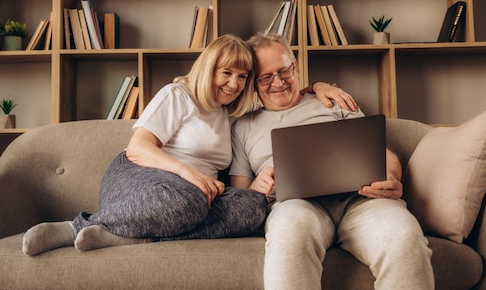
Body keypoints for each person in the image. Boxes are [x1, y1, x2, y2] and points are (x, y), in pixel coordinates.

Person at [22, 34, 355, 255]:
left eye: (242, 77)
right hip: (140, 175)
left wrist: (316, 87)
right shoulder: (177, 94)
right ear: (209, 69)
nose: (234, 84)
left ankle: (129, 235)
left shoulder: (234, 113)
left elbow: (282, 88)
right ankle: (80, 224)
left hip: (194, 195)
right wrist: (191, 176)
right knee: (189, 200)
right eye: (226, 73)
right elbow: (138, 148)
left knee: (254, 207)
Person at [230, 32, 434, 290]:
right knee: (289, 233)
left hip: (361, 201)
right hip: (296, 207)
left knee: (404, 237)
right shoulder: (242, 126)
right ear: (253, 81)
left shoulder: (333, 101)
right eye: (266, 76)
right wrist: (256, 187)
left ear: (297, 68)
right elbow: (239, 194)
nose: (279, 82)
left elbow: (384, 153)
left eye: (284, 71)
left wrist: (392, 177)